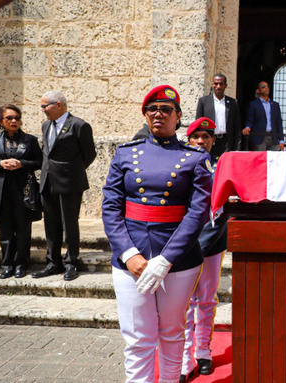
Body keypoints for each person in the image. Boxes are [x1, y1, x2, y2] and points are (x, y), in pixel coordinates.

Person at [102, 85, 213, 383]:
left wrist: (166, 260)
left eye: (166, 110)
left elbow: (197, 213)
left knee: (172, 333)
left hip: (177, 258)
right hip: (131, 258)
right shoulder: (125, 153)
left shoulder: (194, 158)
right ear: (145, 115)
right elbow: (111, 208)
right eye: (153, 109)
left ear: (178, 117)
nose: (158, 114)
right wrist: (129, 254)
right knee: (138, 337)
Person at [180, 117, 228, 382]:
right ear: (189, 140)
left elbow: (224, 208)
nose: (201, 141)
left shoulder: (221, 167)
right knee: (185, 303)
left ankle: (203, 352)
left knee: (207, 299)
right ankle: (185, 357)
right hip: (184, 244)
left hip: (212, 242)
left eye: (206, 137)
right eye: (196, 137)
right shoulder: (179, 164)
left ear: (212, 140)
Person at [32, 91, 96, 281]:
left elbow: (89, 154)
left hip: (69, 183)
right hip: (47, 181)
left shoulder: (79, 125)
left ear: (59, 105)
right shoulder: (46, 126)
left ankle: (71, 263)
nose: (43, 110)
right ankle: (53, 262)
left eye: (45, 106)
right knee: (51, 225)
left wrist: (70, 171)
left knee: (69, 224)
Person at [0, 104, 42, 279]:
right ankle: (7, 265)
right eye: (9, 118)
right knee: (4, 230)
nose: (14, 121)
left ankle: (21, 264)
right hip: (1, 192)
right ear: (1, 121)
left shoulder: (30, 140)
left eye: (17, 118)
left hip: (24, 191)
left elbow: (40, 162)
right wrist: (0, 163)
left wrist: (22, 164)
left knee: (23, 229)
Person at [195, 73, 242, 157]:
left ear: (225, 85)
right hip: (208, 141)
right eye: (216, 83)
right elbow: (198, 124)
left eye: (221, 84)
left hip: (227, 143)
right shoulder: (203, 101)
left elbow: (237, 127)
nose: (218, 86)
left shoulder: (233, 103)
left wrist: (237, 148)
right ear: (212, 84)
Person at [243, 81, 284, 151]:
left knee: (273, 161)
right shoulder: (253, 104)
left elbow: (279, 123)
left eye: (267, 86)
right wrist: (247, 127)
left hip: (274, 138)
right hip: (259, 138)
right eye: (263, 87)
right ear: (258, 91)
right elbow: (250, 119)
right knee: (260, 160)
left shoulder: (275, 105)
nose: (266, 88)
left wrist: (281, 140)